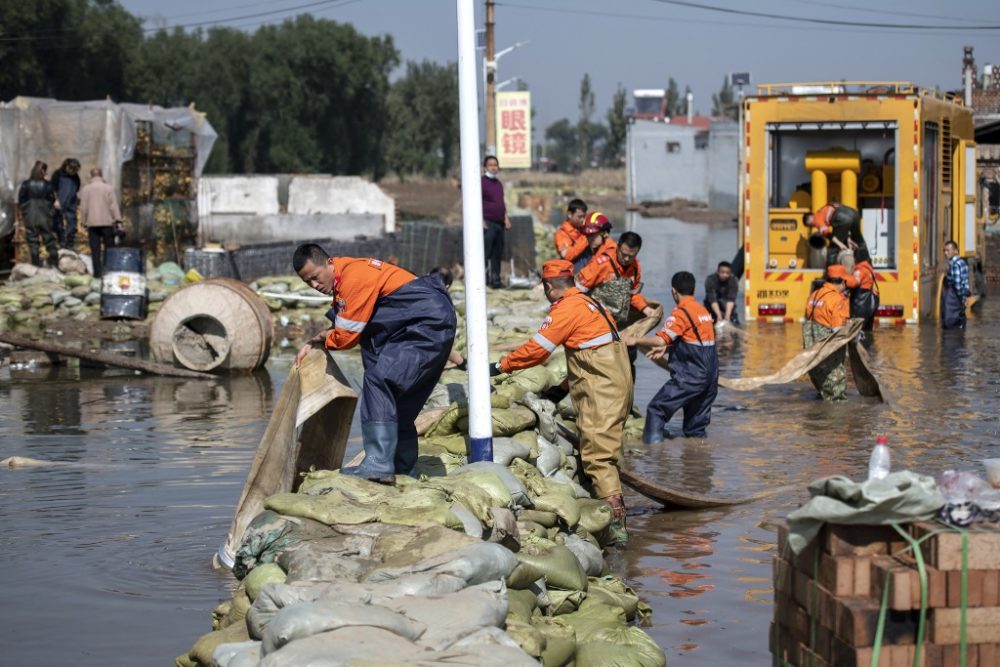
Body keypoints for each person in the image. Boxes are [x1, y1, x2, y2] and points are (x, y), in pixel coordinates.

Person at [492, 259, 632, 544]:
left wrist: (500, 366)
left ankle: (616, 530)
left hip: (601, 391)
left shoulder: (566, 309)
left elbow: (538, 350)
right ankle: (604, 505)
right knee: (604, 449)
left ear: (548, 286)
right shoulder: (590, 302)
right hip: (616, 384)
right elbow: (591, 353)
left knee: (598, 456)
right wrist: (562, 388)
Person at [294, 245, 456, 483]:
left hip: (424, 327)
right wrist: (319, 338)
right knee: (399, 404)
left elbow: (346, 337)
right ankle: (402, 470)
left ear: (329, 263)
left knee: (378, 380)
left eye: (315, 277)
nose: (315, 286)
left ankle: (378, 464)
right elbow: (352, 321)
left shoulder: (353, 276)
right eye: (307, 282)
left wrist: (323, 339)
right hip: (430, 325)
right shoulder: (349, 276)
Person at [625, 271, 718, 442]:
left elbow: (660, 340)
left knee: (656, 410)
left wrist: (634, 339)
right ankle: (700, 462)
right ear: (694, 290)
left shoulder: (681, 313)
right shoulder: (702, 311)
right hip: (710, 378)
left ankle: (654, 457)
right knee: (695, 428)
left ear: (674, 292)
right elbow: (697, 341)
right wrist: (669, 349)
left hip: (691, 377)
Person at [575, 218, 657, 325]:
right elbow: (577, 290)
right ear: (617, 247)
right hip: (594, 315)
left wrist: (645, 308)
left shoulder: (635, 267)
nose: (627, 259)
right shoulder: (601, 264)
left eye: (631, 256)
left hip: (616, 315)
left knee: (656, 310)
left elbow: (632, 294)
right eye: (624, 254)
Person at [802, 265, 851, 401]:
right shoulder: (837, 300)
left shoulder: (814, 295)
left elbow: (809, 319)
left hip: (812, 350)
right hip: (828, 350)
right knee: (836, 395)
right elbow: (838, 330)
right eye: (845, 282)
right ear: (842, 281)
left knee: (823, 386)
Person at [78, 167, 122, 277]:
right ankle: (110, 270)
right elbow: (114, 206)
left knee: (95, 250)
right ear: (101, 175)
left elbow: (83, 207)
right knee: (109, 248)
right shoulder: (108, 188)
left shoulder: (86, 189)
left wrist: (83, 221)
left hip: (92, 223)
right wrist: (118, 220)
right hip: (107, 222)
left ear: (91, 176)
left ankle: (97, 273)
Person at [16, 160, 60, 268]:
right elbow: (52, 199)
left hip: (30, 215)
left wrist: (25, 211)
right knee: (49, 239)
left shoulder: (26, 184)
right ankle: (54, 263)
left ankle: (35, 266)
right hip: (45, 215)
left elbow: (21, 199)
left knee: (32, 241)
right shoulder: (47, 184)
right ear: (43, 171)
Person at [427, 266, 467, 369]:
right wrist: (460, 361)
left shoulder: (411, 285)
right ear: (446, 286)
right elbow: (434, 341)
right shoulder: (439, 306)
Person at [481, 155, 511, 288]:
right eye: (490, 165)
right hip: (488, 222)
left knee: (497, 253)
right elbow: (477, 202)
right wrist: (480, 220)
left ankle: (496, 279)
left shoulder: (498, 184)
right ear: (485, 167)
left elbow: (501, 203)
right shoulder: (481, 182)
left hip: (499, 222)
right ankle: (483, 279)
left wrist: (506, 218)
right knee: (485, 252)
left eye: (495, 165)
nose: (494, 168)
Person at [50, 158, 81, 249]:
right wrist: (55, 200)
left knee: (72, 224)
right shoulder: (58, 174)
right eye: (72, 169)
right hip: (59, 202)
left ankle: (70, 244)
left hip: (71, 203)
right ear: (67, 167)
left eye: (76, 170)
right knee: (58, 224)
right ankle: (62, 242)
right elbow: (53, 188)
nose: (74, 172)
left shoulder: (75, 177)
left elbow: (77, 188)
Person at [553, 198, 592, 270]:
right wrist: (585, 238)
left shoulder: (583, 229)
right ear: (569, 214)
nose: (583, 220)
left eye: (584, 216)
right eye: (580, 217)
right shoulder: (561, 234)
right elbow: (567, 255)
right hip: (573, 270)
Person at [849, 246, 879, 332]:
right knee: (867, 330)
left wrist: (843, 279)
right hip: (869, 303)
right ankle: (869, 344)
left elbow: (853, 283)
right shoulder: (869, 268)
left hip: (860, 303)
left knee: (857, 330)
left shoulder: (861, 270)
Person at [942, 240, 969, 330]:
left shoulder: (955, 265)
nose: (946, 253)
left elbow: (957, 284)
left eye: (948, 250)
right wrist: (964, 298)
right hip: (959, 297)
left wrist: (961, 299)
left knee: (950, 324)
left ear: (955, 251)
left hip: (954, 298)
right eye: (944, 250)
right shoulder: (962, 262)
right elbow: (965, 282)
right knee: (959, 322)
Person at [704, 261, 739, 328]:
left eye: (727, 273)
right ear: (717, 271)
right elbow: (712, 300)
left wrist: (727, 316)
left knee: (735, 325)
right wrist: (719, 315)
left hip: (727, 308)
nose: (725, 275)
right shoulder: (710, 280)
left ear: (730, 273)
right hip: (711, 308)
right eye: (722, 272)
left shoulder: (733, 280)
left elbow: (731, 300)